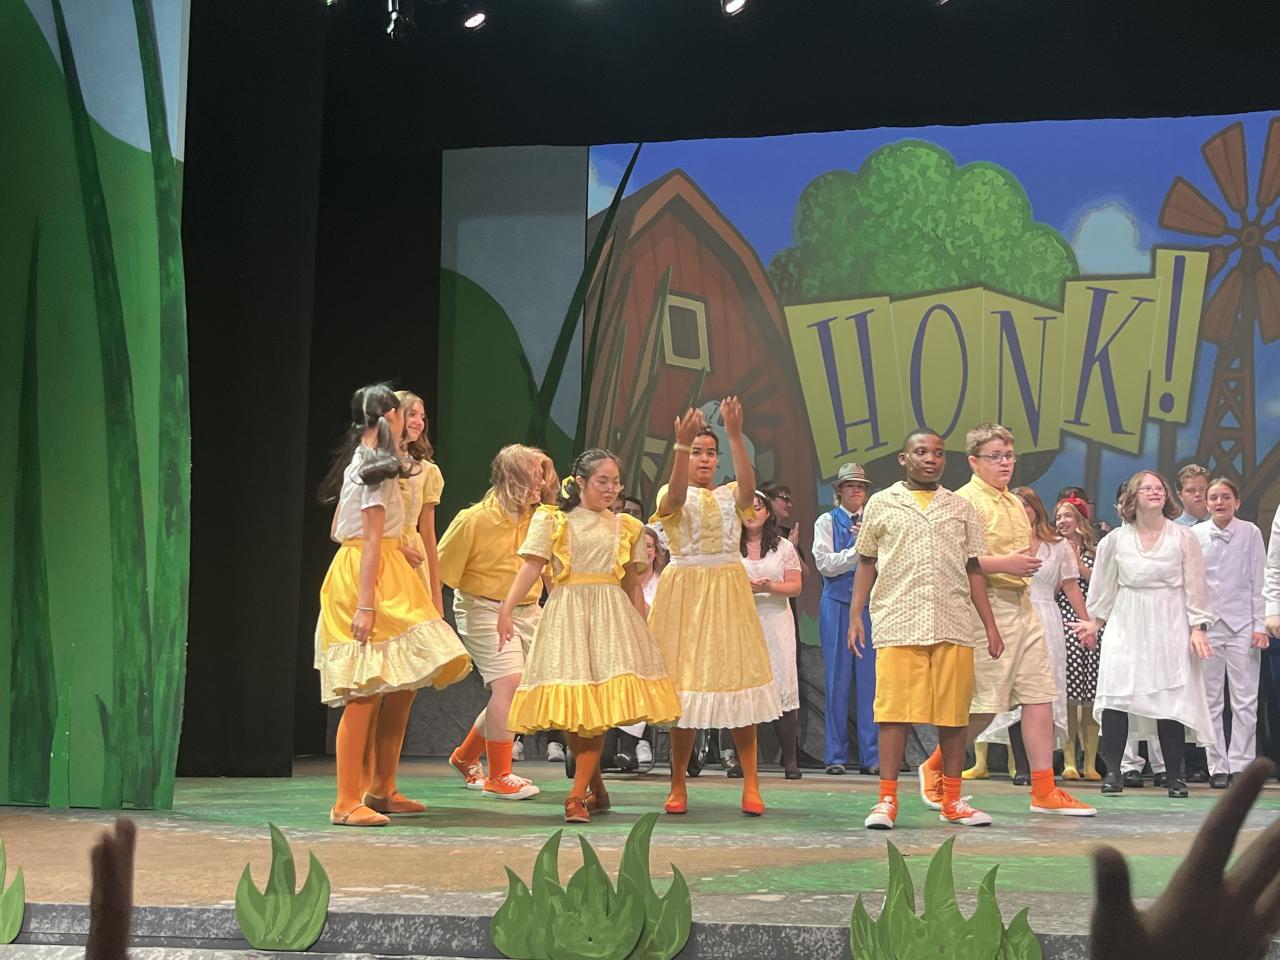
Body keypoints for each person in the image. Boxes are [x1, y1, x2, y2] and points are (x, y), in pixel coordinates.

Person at [315, 384, 471, 826]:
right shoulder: (373, 468)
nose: (410, 421)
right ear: (387, 418)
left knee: (403, 682)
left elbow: (347, 528)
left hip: (387, 569)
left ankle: (382, 788)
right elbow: (359, 538)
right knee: (365, 689)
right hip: (365, 579)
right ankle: (346, 801)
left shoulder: (374, 462)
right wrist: (365, 606)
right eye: (403, 414)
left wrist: (394, 547)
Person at [920, 423, 1095, 818]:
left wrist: (1020, 567)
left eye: (1009, 456)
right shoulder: (962, 501)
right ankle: (936, 767)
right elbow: (951, 559)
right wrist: (1006, 564)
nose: (1005, 464)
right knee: (984, 704)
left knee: (1039, 696)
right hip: (985, 606)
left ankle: (1043, 789)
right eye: (995, 457)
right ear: (973, 461)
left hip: (1024, 605)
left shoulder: (1015, 503)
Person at [499, 449, 680, 823]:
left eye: (616, 482)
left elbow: (631, 583)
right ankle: (596, 787)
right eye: (602, 481)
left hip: (609, 617)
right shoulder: (553, 520)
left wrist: (641, 629)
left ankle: (575, 795)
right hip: (567, 614)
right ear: (580, 481)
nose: (611, 489)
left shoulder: (626, 526)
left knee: (596, 709)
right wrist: (507, 608)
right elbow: (531, 567)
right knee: (574, 707)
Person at [851, 429, 1002, 830]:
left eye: (938, 452)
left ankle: (951, 799)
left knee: (953, 715)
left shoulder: (960, 506)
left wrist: (990, 624)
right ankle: (886, 799)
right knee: (893, 713)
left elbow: (973, 567)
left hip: (952, 620)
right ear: (904, 458)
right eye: (921, 452)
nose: (931, 459)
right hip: (899, 619)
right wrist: (855, 615)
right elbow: (866, 560)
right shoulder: (882, 502)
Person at [647, 398, 782, 817]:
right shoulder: (672, 492)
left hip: (726, 591)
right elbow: (674, 498)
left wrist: (736, 435)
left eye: (711, 452)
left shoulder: (729, 495)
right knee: (684, 691)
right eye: (698, 452)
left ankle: (751, 783)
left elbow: (748, 490)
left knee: (738, 683)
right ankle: (677, 782)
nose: (705, 459)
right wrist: (680, 446)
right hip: (685, 593)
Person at [1089, 471, 1215, 798]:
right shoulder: (1115, 540)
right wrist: (1095, 622)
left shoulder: (1183, 537)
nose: (1156, 492)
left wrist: (1197, 627)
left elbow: (1196, 585)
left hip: (1169, 622)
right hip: (1127, 622)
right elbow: (1105, 586)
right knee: (1117, 694)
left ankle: (1174, 776)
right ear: (1133, 497)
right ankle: (1114, 772)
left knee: (1169, 698)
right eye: (1147, 488)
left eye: (1160, 488)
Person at [438, 444, 551, 801]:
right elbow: (441, 571)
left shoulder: (540, 518)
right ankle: (499, 775)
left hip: (529, 609)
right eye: (536, 475)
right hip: (482, 606)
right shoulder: (473, 520)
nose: (543, 482)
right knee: (509, 683)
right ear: (514, 478)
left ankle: (466, 756)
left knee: (522, 689)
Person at [966, 488, 1096, 782]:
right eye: (1017, 505)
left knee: (1041, 694)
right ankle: (1021, 768)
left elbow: (1070, 585)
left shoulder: (1057, 545)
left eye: (1027, 505)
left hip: (1047, 619)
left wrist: (1086, 623)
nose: (1022, 510)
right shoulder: (1002, 543)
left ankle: (1043, 771)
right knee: (1011, 692)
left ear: (1037, 509)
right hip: (1010, 614)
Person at [1193, 478, 1267, 788]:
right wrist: (1194, 625)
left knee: (1245, 699)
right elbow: (1192, 584)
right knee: (1210, 700)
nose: (1219, 502)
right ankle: (1217, 766)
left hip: (1242, 625)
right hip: (1209, 625)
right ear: (1206, 502)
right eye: (1213, 497)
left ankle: (1241, 764)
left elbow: (1259, 580)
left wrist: (1260, 625)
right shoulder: (1195, 534)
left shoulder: (1250, 532)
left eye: (1225, 497)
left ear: (1237, 502)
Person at [813, 462, 879, 775]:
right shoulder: (827, 521)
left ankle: (872, 757)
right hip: (837, 604)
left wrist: (869, 542)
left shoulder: (875, 522)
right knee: (836, 680)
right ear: (839, 490)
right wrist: (857, 550)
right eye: (850, 486)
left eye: (861, 486)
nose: (856, 491)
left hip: (869, 606)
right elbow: (825, 564)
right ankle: (835, 755)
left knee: (870, 684)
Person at [741, 492, 804, 779]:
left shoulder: (784, 546)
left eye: (758, 508)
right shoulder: (729, 547)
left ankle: (790, 760)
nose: (752, 513)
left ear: (768, 512)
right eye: (746, 508)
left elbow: (796, 587)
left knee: (782, 684)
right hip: (743, 620)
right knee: (743, 687)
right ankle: (743, 760)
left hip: (776, 620)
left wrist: (770, 587)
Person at [1056, 495, 1106, 782]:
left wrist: (1077, 562)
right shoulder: (1052, 549)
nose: (1062, 521)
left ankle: (1090, 763)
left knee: (1091, 699)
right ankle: (1069, 761)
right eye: (1058, 517)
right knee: (1069, 699)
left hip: (1093, 626)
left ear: (1080, 520)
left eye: (1067, 516)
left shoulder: (1096, 551)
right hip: (1066, 625)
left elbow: (1100, 584)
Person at [395, 390, 445, 611]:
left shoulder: (426, 471)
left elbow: (428, 534)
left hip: (414, 556)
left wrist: (436, 594)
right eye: (412, 414)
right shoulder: (375, 465)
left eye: (422, 417)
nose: (418, 422)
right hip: (382, 551)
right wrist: (395, 549)